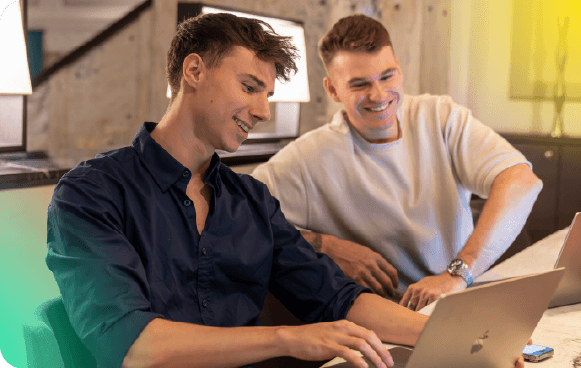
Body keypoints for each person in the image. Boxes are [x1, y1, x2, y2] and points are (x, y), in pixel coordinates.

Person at [45, 12, 439, 368]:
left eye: (267, 95)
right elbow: (135, 347)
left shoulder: (252, 201)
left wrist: (450, 333)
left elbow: (337, 298)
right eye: (250, 87)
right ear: (194, 71)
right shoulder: (90, 193)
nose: (264, 111)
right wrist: (288, 338)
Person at [251, 15, 543, 312]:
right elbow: (236, 219)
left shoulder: (441, 118)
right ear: (333, 90)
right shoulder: (305, 159)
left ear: (400, 70)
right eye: (360, 84)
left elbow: (521, 181)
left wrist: (456, 275)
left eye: (387, 76)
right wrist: (324, 245)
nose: (379, 95)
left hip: (458, 298)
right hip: (382, 322)